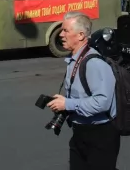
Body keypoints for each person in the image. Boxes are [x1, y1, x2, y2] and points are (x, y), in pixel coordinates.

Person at [47, 12, 120, 170]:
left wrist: (68, 104)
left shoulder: (94, 63)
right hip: (80, 133)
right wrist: (64, 101)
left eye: (65, 30)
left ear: (80, 35)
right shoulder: (74, 60)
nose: (60, 34)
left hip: (100, 136)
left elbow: (102, 102)